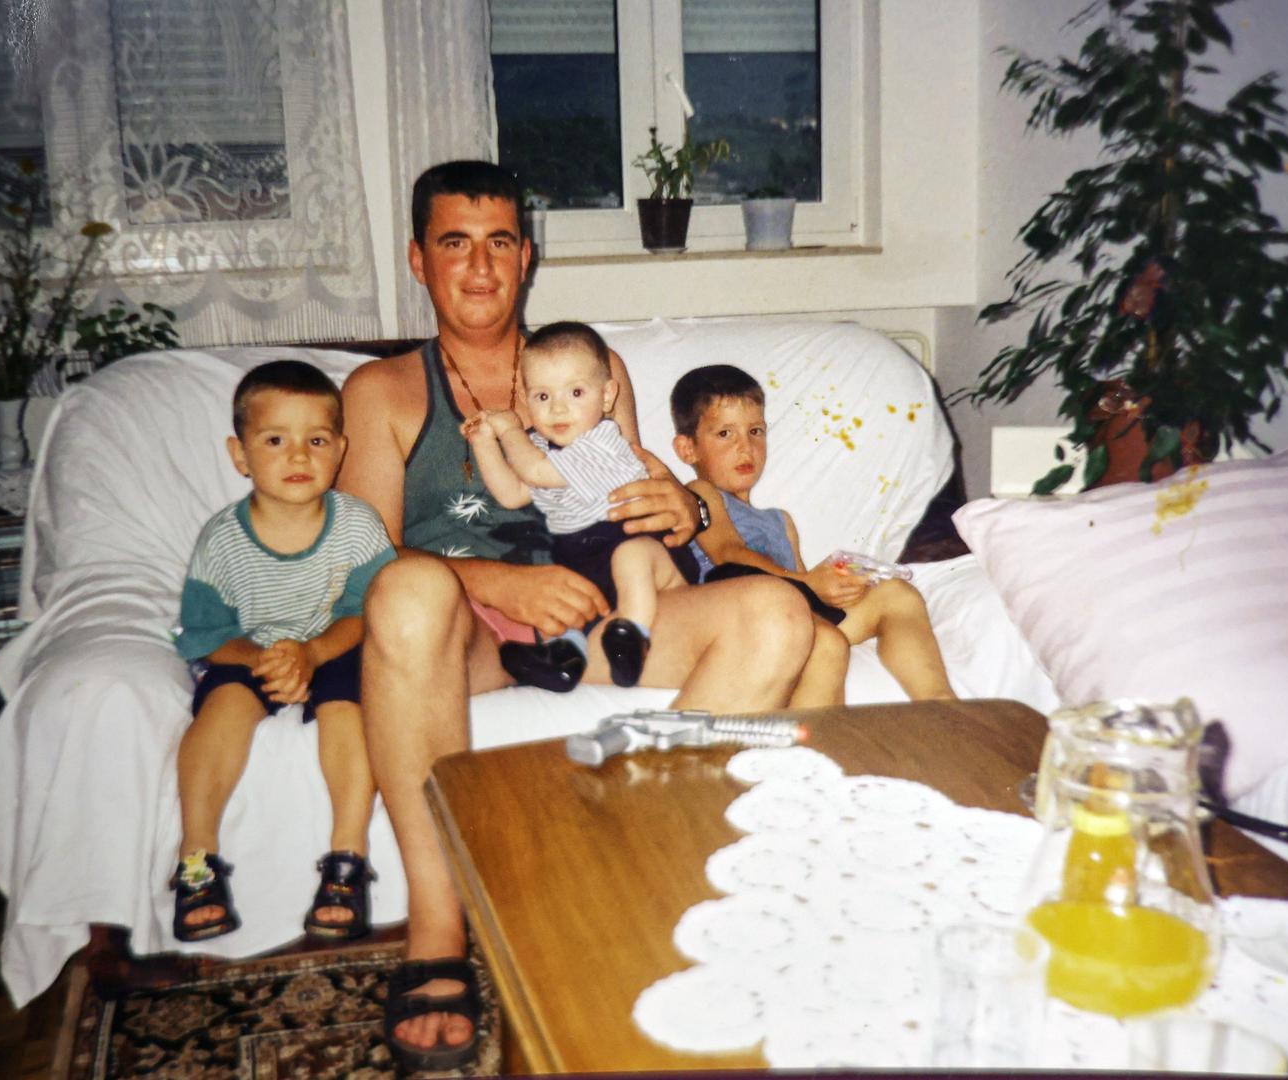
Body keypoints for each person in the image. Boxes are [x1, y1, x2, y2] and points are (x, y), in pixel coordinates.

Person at [337, 161, 814, 1071]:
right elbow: (362, 561)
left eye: (500, 243)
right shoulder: (383, 391)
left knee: (776, 617)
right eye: (455, 244)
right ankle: (438, 928)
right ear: (418, 260)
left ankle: (634, 861)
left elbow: (642, 485)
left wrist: (683, 506)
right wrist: (496, 584)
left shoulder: (592, 370)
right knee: (404, 590)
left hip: (597, 611)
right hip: (466, 632)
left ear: (527, 256)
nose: (481, 267)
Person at [171, 360, 395, 945]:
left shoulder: (358, 525)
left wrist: (313, 654)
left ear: (340, 451)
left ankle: (347, 858)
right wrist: (264, 661)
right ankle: (196, 860)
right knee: (220, 711)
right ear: (240, 454)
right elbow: (205, 633)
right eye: (275, 440)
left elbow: (369, 610)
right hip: (253, 653)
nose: (298, 455)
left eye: (316, 440)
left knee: (351, 710)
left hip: (334, 644)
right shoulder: (221, 539)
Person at [670, 363, 957, 707]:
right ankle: (810, 737)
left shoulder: (781, 521)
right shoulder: (698, 493)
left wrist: (837, 585)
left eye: (756, 431)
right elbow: (728, 553)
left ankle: (941, 705)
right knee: (824, 641)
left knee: (896, 594)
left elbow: (807, 593)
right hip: (741, 625)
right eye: (725, 434)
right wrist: (807, 583)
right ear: (688, 449)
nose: (745, 448)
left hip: (796, 616)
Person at [461, 320, 698, 689]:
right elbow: (513, 493)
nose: (558, 409)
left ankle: (633, 637)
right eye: (543, 397)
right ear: (526, 399)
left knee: (631, 558)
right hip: (579, 553)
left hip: (642, 545)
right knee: (567, 595)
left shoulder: (603, 441)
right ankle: (565, 656)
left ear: (606, 396)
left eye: (575, 393)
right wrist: (483, 443)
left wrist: (508, 430)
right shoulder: (538, 446)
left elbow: (537, 473)